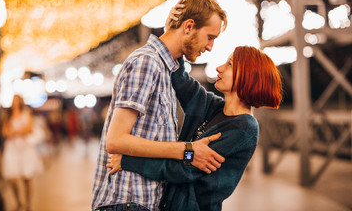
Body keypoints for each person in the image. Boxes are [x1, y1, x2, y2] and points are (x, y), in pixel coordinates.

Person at [92, 0, 228, 211]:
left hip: (140, 201)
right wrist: (189, 151)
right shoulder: (147, 62)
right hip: (128, 200)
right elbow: (116, 141)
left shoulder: (164, 68)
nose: (210, 46)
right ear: (189, 26)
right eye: (210, 37)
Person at [107, 45, 283, 211]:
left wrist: (128, 161)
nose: (219, 68)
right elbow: (182, 80)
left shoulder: (244, 128)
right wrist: (179, 42)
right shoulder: (213, 107)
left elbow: (186, 168)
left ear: (247, 76)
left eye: (229, 64)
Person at [1, 95, 43, 211]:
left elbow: (29, 129)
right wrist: (18, 132)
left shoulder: (26, 114)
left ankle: (28, 203)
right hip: (12, 148)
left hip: (25, 148)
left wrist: (14, 131)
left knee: (27, 178)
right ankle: (18, 201)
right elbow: (5, 131)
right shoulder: (8, 115)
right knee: (12, 179)